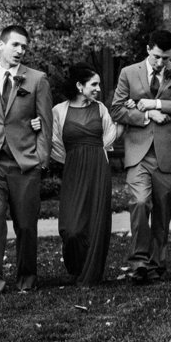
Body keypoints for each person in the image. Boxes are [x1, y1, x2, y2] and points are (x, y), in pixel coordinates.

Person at [111, 28, 171, 284]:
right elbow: (116, 109)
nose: (161, 63)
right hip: (138, 153)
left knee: (163, 210)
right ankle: (138, 262)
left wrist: (155, 104)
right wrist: (147, 116)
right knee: (139, 202)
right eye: (157, 57)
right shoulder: (128, 73)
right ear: (148, 49)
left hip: (168, 154)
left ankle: (157, 263)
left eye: (166, 58)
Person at [0, 23, 51, 294]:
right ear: (0, 45)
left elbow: (46, 124)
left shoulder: (37, 80)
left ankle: (27, 278)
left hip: (24, 163)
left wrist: (40, 157)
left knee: (26, 224)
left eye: (24, 47)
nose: (20, 50)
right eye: (15, 45)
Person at [51, 64, 123, 286]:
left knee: (96, 223)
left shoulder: (100, 108)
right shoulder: (58, 111)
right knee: (70, 228)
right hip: (73, 169)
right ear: (79, 86)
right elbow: (54, 143)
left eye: (98, 84)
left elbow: (110, 135)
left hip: (98, 169)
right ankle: (76, 266)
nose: (98, 89)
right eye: (94, 84)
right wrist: (74, 159)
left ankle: (91, 273)